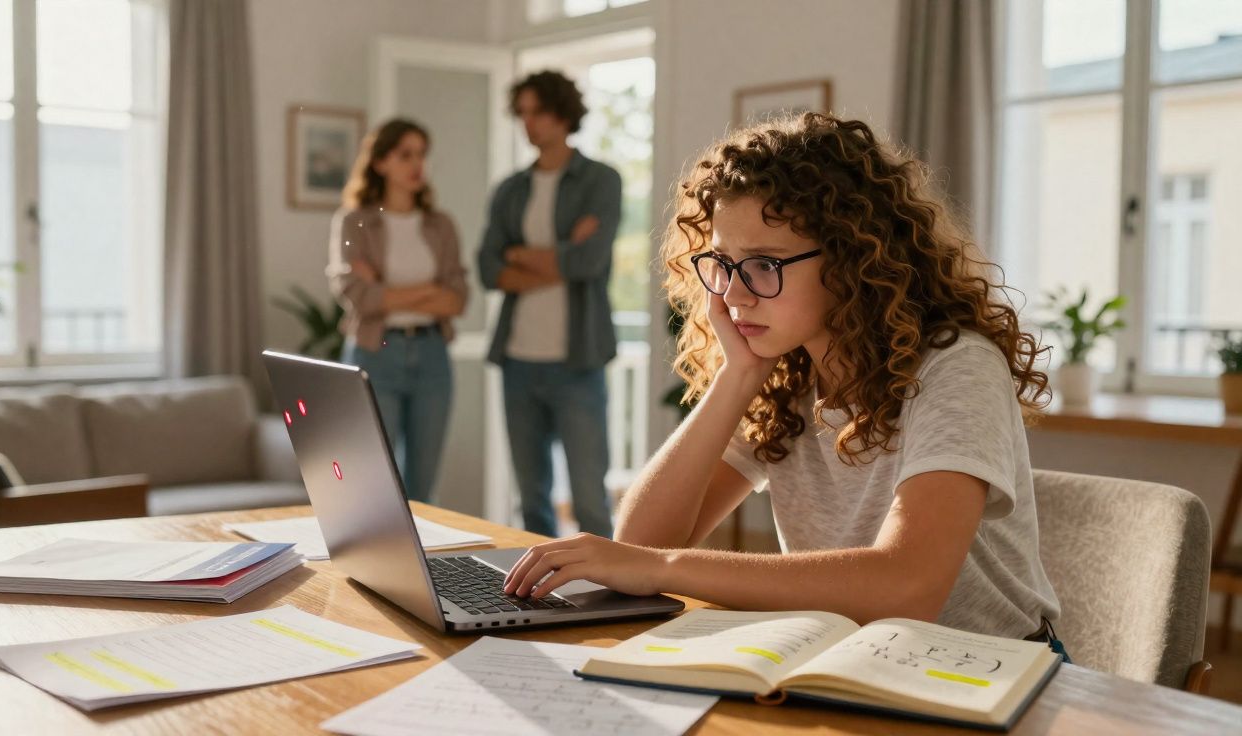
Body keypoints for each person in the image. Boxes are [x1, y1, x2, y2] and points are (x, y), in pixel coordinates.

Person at [502, 112, 1064, 644]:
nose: (733, 293)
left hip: (990, 673)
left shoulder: (956, 366)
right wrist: (737, 376)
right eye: (724, 264)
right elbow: (639, 544)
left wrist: (665, 567)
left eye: (764, 265)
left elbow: (908, 588)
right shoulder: (787, 378)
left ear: (852, 260)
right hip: (854, 659)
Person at [478, 70, 623, 538]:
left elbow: (590, 262)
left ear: (563, 113)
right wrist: (562, 253)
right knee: (531, 499)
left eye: (537, 111)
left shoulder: (600, 180)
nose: (528, 123)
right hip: (517, 361)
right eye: (522, 113)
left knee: (589, 499)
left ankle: (605, 581)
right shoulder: (510, 190)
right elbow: (488, 268)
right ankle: (540, 582)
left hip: (578, 360)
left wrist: (519, 254)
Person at [328, 118, 468, 503]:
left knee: (422, 487)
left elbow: (457, 299)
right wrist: (429, 289)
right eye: (405, 155)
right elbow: (359, 296)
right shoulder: (354, 222)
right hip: (376, 352)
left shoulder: (441, 225)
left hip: (432, 353)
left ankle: (421, 546)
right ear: (380, 162)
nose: (417, 164)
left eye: (421, 154)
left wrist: (385, 288)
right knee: (375, 482)